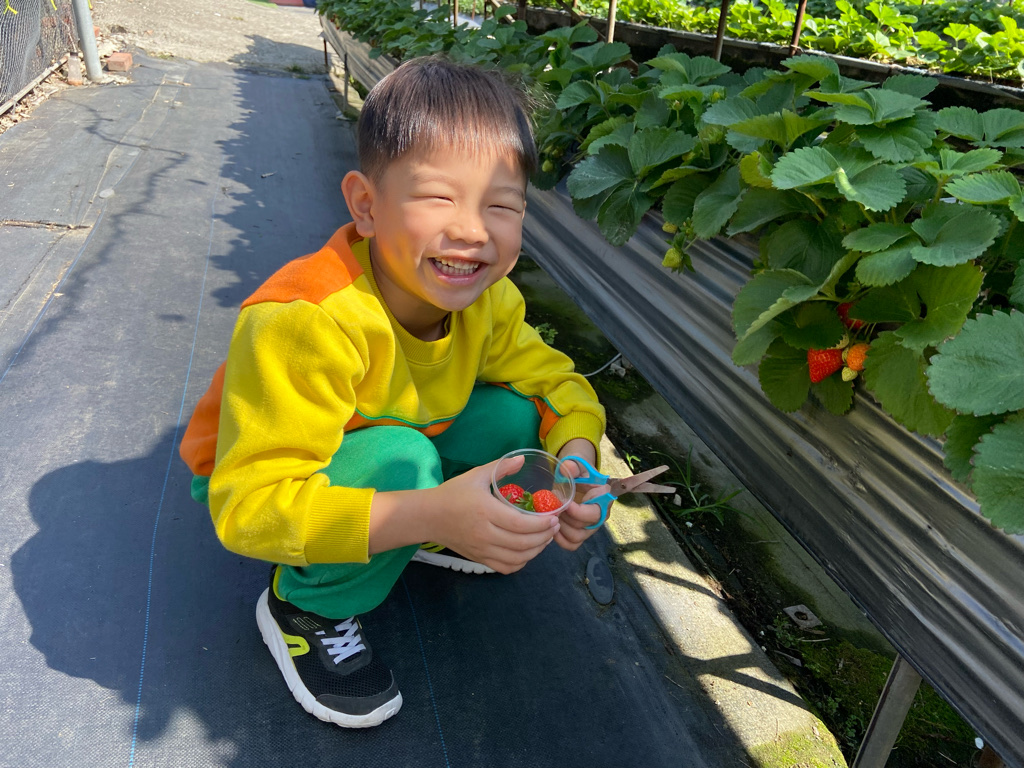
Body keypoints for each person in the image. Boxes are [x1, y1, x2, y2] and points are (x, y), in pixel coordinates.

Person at [178, 55, 607, 729]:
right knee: (403, 462)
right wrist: (430, 509)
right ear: (366, 205)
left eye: (501, 205)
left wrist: (578, 459)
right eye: (438, 197)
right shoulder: (307, 321)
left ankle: (438, 525)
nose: (472, 230)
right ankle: (306, 607)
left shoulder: (489, 303)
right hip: (266, 477)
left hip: (396, 435)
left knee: (515, 419)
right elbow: (249, 509)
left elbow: (556, 384)